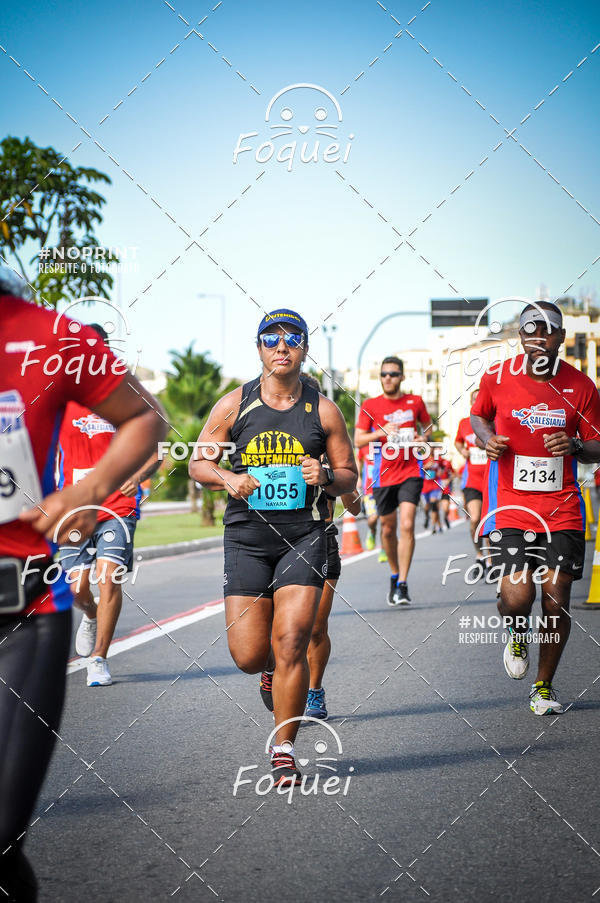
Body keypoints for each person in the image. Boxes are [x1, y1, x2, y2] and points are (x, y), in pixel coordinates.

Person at [0, 278, 166, 900]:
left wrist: (91, 490)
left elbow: (147, 419)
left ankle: (97, 652)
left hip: (20, 603)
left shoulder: (50, 337)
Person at [189, 310, 357, 785]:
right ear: (259, 347)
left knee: (292, 642)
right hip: (247, 537)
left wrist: (326, 474)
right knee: (248, 655)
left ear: (305, 348)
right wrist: (228, 477)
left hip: (304, 536)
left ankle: (283, 749)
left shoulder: (324, 410)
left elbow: (349, 476)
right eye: (271, 338)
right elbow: (198, 464)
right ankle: (269, 671)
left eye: (292, 338)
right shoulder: (234, 404)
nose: (281, 346)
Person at [471, 300, 600, 715]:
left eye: (548, 329)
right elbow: (478, 417)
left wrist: (576, 445)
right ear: (521, 336)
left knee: (556, 598)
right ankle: (516, 631)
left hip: (562, 507)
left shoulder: (582, 386)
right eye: (531, 328)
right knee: (517, 597)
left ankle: (543, 686)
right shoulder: (497, 377)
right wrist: (486, 439)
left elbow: (597, 444)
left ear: (561, 336)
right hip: (511, 506)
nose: (539, 336)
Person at [56, 324, 160, 687]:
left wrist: (140, 475)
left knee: (108, 578)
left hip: (117, 505)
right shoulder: (58, 398)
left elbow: (156, 450)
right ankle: (91, 615)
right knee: (77, 589)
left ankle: (98, 659)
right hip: (74, 509)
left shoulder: (125, 397)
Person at [355, 356, 432, 605]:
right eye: (384, 374)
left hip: (411, 471)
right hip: (383, 475)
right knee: (388, 529)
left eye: (393, 374)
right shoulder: (370, 405)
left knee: (407, 524)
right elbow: (358, 439)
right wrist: (380, 432)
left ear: (402, 377)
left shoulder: (415, 402)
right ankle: (394, 573)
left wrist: (423, 438)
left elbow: (427, 427)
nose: (388, 378)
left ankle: (403, 584)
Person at [455, 389, 489, 573]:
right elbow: (458, 442)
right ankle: (479, 555)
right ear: (470, 403)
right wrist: (462, 451)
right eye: (474, 399)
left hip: (491, 479)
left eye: (480, 398)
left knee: (489, 521)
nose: (477, 402)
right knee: (475, 519)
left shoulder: (493, 422)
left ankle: (490, 560)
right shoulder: (464, 423)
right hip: (472, 480)